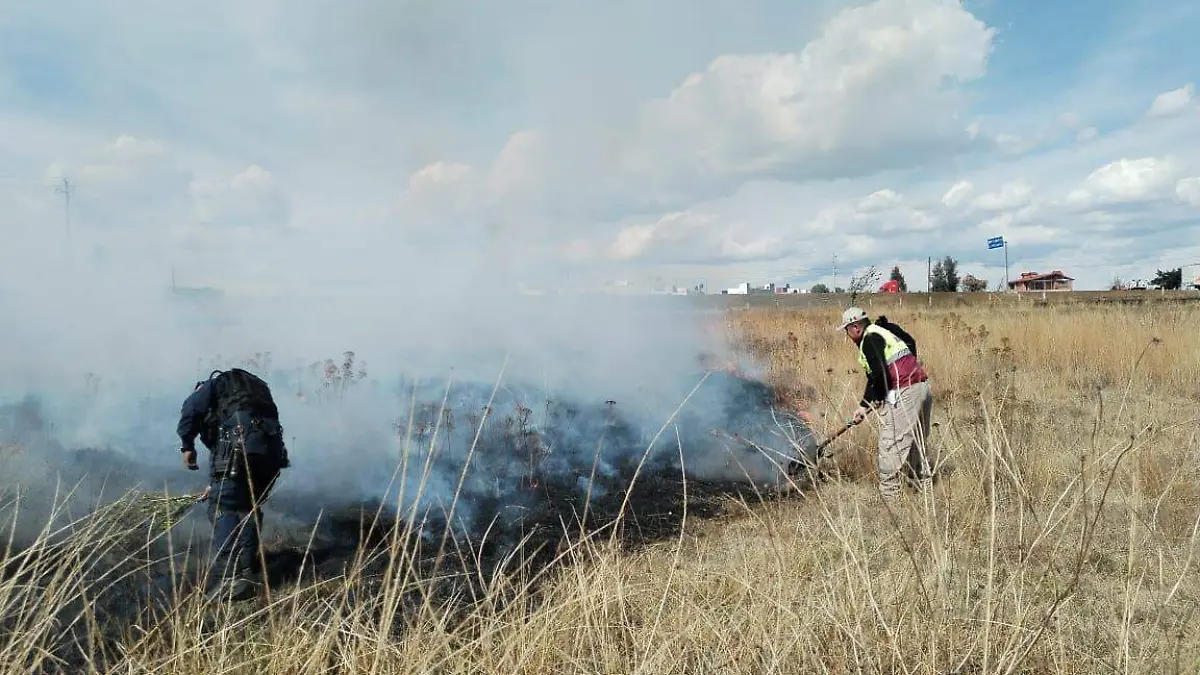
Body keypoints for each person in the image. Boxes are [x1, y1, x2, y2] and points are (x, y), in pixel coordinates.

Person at [177, 367, 290, 601]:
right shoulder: (253, 392)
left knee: (222, 506)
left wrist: (187, 446)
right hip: (271, 454)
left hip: (241, 447)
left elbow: (190, 409)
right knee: (247, 506)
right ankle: (247, 572)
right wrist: (216, 483)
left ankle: (231, 578)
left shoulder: (213, 386)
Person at [837, 307, 934, 499]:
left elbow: (880, 373)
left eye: (847, 330)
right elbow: (907, 346)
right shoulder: (884, 331)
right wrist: (865, 405)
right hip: (922, 387)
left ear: (855, 327)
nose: (847, 335)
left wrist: (882, 395)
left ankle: (891, 503)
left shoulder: (869, 340)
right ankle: (924, 493)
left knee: (890, 446)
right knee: (916, 443)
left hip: (905, 391)